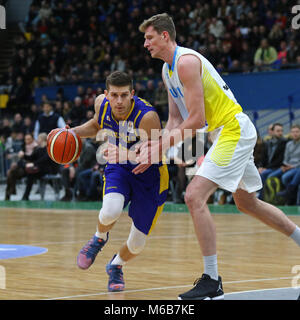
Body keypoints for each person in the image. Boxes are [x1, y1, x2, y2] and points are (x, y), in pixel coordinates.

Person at [137, 13, 300, 300]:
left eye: (149, 37)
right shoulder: (167, 71)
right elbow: (176, 119)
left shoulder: (186, 62)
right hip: (225, 133)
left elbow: (197, 119)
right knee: (247, 203)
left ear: (165, 36)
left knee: (193, 196)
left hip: (232, 129)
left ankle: (212, 280)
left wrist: (159, 148)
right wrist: (155, 147)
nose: (145, 44)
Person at [70, 71, 169, 292]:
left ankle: (116, 266)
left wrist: (123, 154)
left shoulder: (147, 117)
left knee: (137, 244)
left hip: (150, 176)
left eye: (124, 95)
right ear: (106, 94)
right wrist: (73, 133)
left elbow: (157, 154)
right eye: (114, 95)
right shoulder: (101, 104)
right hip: (120, 168)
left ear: (132, 94)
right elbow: (97, 126)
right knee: (110, 211)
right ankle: (98, 238)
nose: (119, 101)